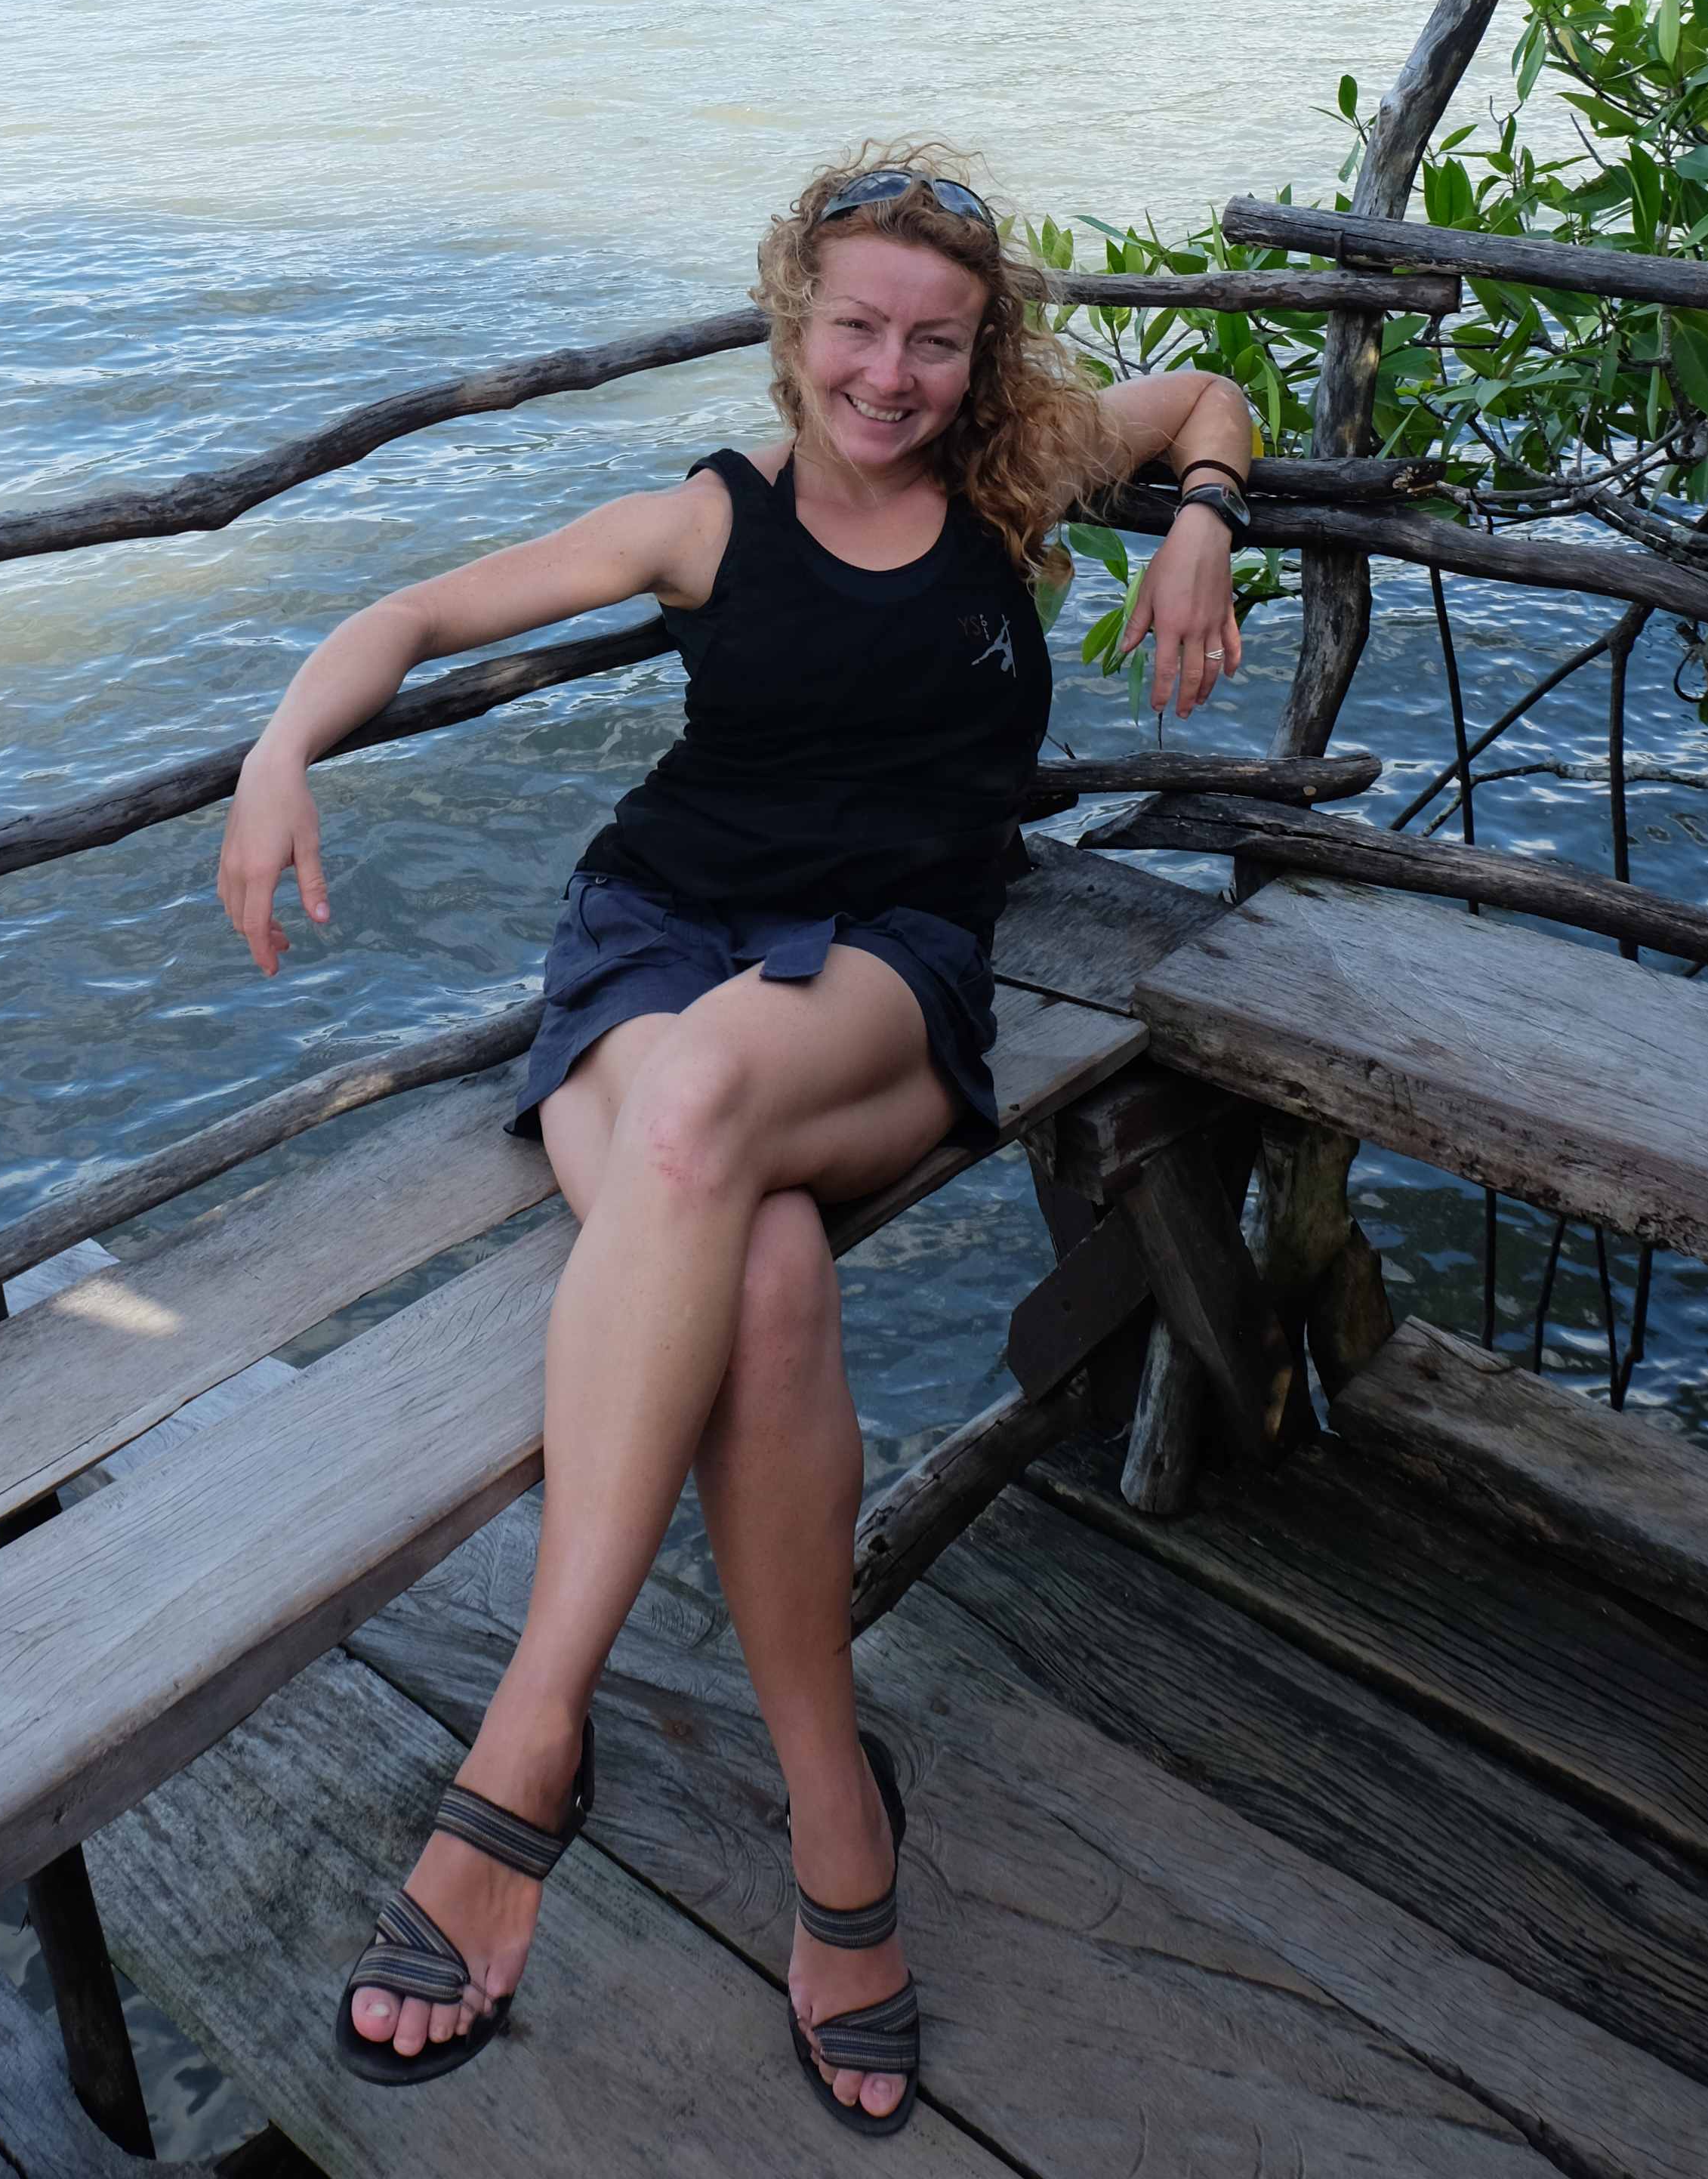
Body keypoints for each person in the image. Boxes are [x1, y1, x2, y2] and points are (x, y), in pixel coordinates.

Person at [215, 150, 1253, 2137]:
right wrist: (279, 754)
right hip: (651, 943)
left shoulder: (1021, 476)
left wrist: (1200, 524)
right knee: (761, 1273)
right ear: (794, 322)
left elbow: (1210, 398)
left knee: (700, 1103)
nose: (889, 376)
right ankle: (837, 1811)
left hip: (880, 969)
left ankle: (526, 1749)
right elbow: (415, 610)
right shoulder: (709, 521)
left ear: (982, 350)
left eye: (934, 341)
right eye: (856, 328)